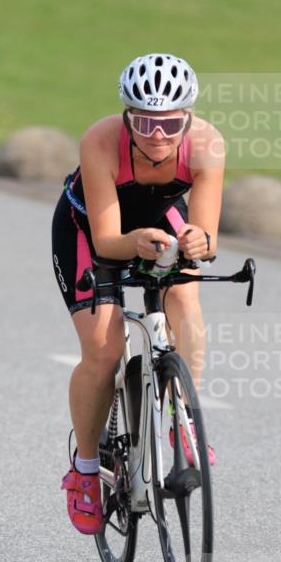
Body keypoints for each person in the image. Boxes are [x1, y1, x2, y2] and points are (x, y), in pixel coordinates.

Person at [52, 53, 225, 535]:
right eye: (144, 121)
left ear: (187, 117)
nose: (157, 134)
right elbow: (108, 241)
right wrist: (135, 244)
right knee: (104, 351)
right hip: (89, 230)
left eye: (170, 123)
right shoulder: (101, 141)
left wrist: (198, 241)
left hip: (163, 219)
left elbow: (208, 235)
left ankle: (182, 421)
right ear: (127, 115)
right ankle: (85, 472)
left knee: (186, 303)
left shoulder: (208, 144)